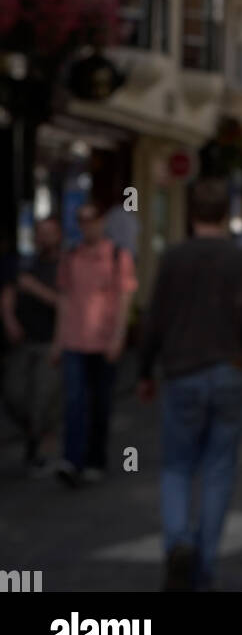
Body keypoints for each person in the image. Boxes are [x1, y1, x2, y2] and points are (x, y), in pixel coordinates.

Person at [136, 177, 242, 592]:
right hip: (229, 371)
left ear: (191, 213)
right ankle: (204, 565)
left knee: (177, 466)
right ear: (224, 215)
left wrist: (144, 371)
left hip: (181, 371)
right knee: (218, 471)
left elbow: (154, 317)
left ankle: (178, 541)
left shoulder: (173, 258)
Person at [52, 204, 137, 488]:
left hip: (103, 341)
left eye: (92, 220)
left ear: (102, 222)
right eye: (82, 220)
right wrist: (58, 341)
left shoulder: (117, 256)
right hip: (75, 339)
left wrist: (118, 337)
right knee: (74, 400)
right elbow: (64, 299)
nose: (87, 225)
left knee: (101, 402)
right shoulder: (71, 257)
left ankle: (95, 458)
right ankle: (71, 459)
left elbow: (125, 299)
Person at [0, 217, 62, 473]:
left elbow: (67, 304)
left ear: (58, 236)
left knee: (41, 399)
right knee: (12, 394)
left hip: (50, 342)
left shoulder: (65, 266)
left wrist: (35, 288)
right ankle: (35, 433)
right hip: (22, 342)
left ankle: (35, 451)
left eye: (49, 233)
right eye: (40, 233)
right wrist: (9, 320)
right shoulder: (24, 263)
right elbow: (8, 294)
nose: (44, 238)